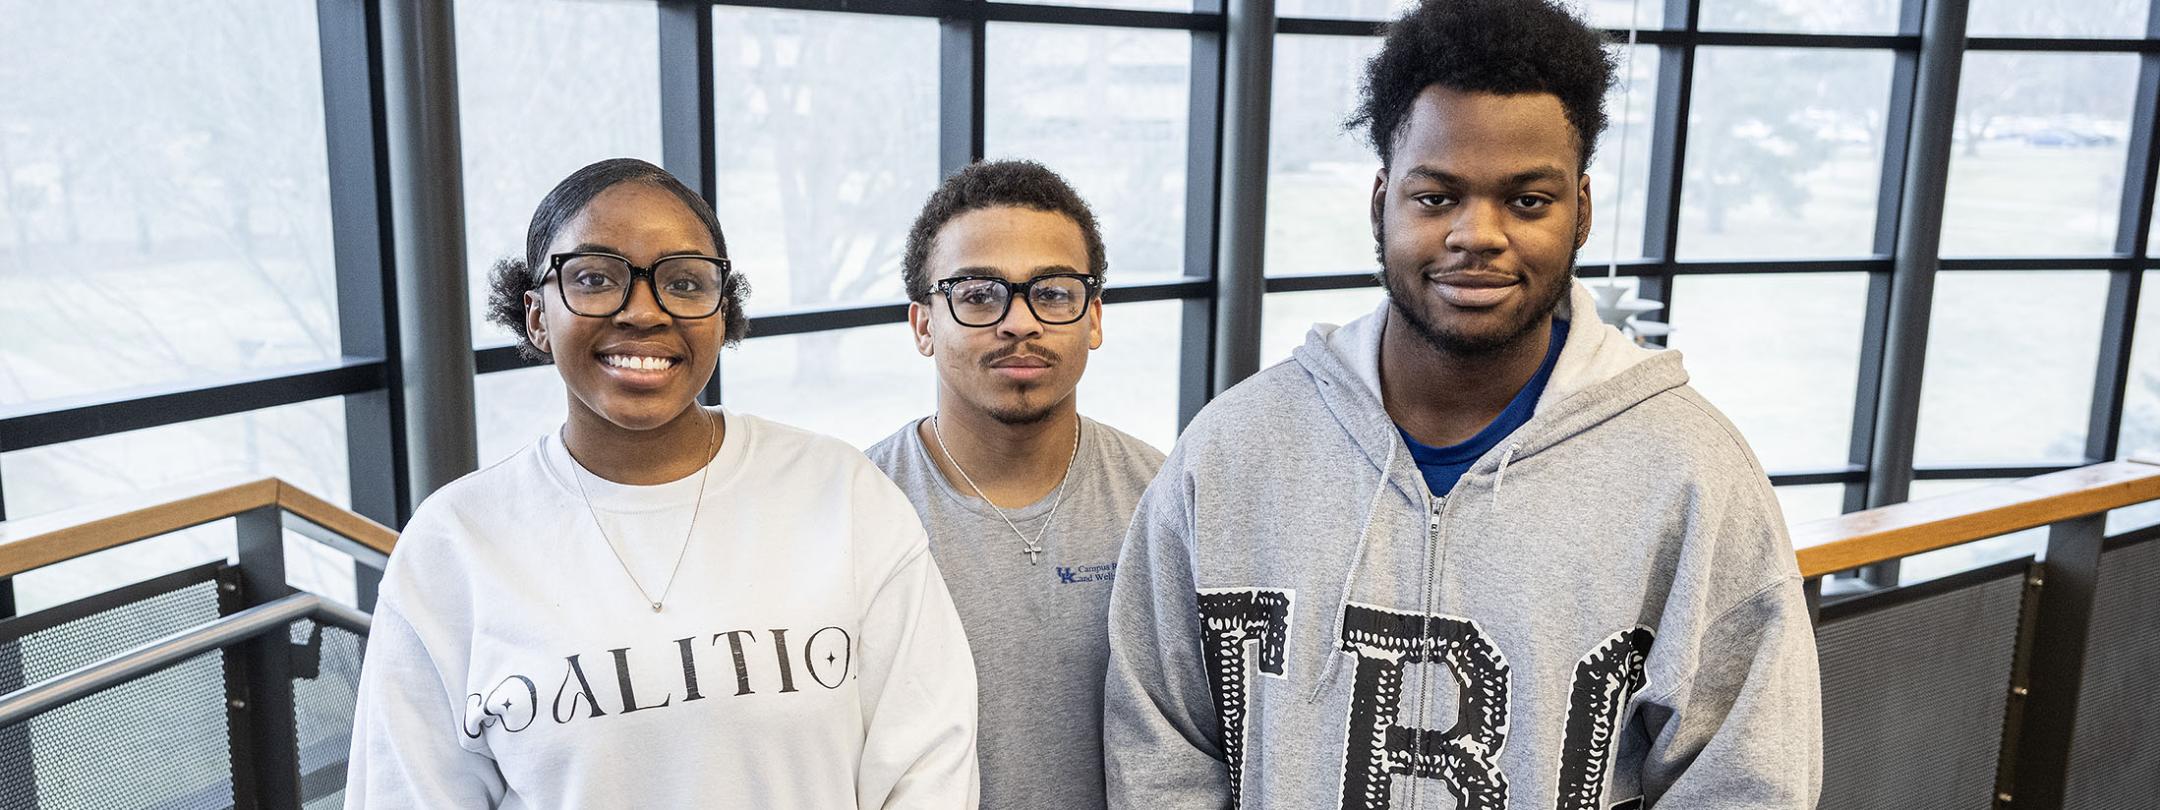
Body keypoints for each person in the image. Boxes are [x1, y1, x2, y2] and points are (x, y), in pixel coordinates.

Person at [1101, 1, 1822, 807]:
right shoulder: (1234, 452)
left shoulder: (1690, 473)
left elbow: (1744, 781)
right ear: (1381, 204)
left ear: (1581, 211)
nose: (1477, 234)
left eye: (1527, 200)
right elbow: (1161, 747)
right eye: (1437, 197)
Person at [345, 158, 979, 808]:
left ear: (722, 311)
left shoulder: (841, 495)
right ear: (536, 315)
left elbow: (928, 766)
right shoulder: (453, 548)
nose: (643, 312)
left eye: (682, 282)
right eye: (594, 278)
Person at [865, 159, 1166, 810]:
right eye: (978, 294)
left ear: (1093, 318)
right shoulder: (859, 509)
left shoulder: (1163, 500)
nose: (1020, 322)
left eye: (1053, 293)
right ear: (923, 324)